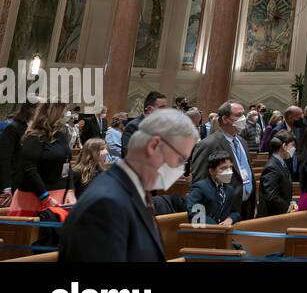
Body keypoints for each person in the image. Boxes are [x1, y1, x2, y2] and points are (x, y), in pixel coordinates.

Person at [59, 108, 197, 262]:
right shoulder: (106, 205)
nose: (181, 168)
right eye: (180, 158)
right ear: (154, 146)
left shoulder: (138, 194)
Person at [189, 100, 256, 220]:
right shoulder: (208, 144)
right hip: (224, 212)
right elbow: (199, 181)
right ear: (225, 119)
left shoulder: (243, 142)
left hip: (246, 206)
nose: (243, 118)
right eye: (238, 115)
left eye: (243, 114)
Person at [12, 102, 73, 216]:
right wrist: (45, 197)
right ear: (54, 115)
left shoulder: (60, 135)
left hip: (59, 195)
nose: (67, 116)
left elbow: (67, 163)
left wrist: (70, 190)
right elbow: (29, 169)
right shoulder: (34, 137)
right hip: (36, 197)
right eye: (64, 113)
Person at [186, 151, 237, 226]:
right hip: (206, 231)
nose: (229, 171)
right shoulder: (200, 187)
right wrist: (216, 226)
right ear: (211, 171)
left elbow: (235, 212)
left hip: (225, 231)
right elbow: (195, 212)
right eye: (223, 168)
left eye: (230, 167)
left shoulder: (229, 189)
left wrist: (230, 219)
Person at [0, 101, 35, 207]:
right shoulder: (13, 128)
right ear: (31, 110)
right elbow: (4, 158)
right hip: (16, 182)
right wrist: (6, 186)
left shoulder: (39, 130)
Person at [258, 131, 294, 217]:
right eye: (292, 145)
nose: (293, 149)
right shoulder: (272, 167)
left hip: (279, 214)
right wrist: (287, 208)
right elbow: (271, 195)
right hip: (272, 216)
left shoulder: (280, 163)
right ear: (284, 146)